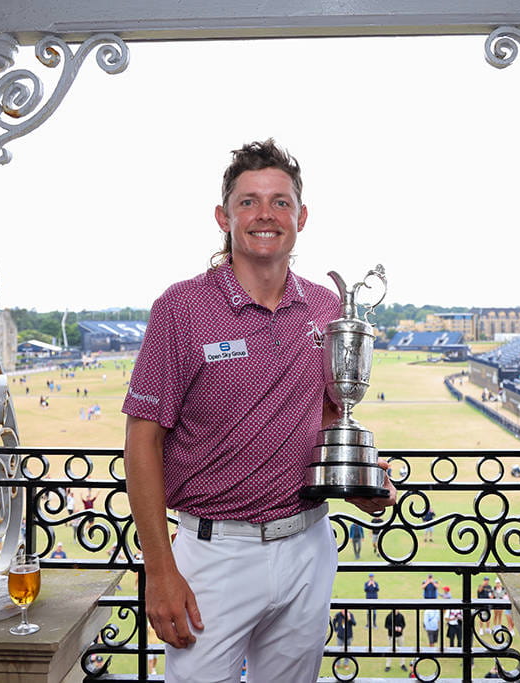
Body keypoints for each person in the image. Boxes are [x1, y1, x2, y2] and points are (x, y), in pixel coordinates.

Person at [122, 140, 396, 683]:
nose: (265, 214)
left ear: (301, 217)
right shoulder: (181, 307)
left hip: (308, 545)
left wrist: (356, 477)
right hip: (214, 556)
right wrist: (159, 570)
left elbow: (327, 416)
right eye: (248, 202)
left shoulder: (326, 307)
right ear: (223, 217)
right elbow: (142, 441)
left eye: (280, 202)